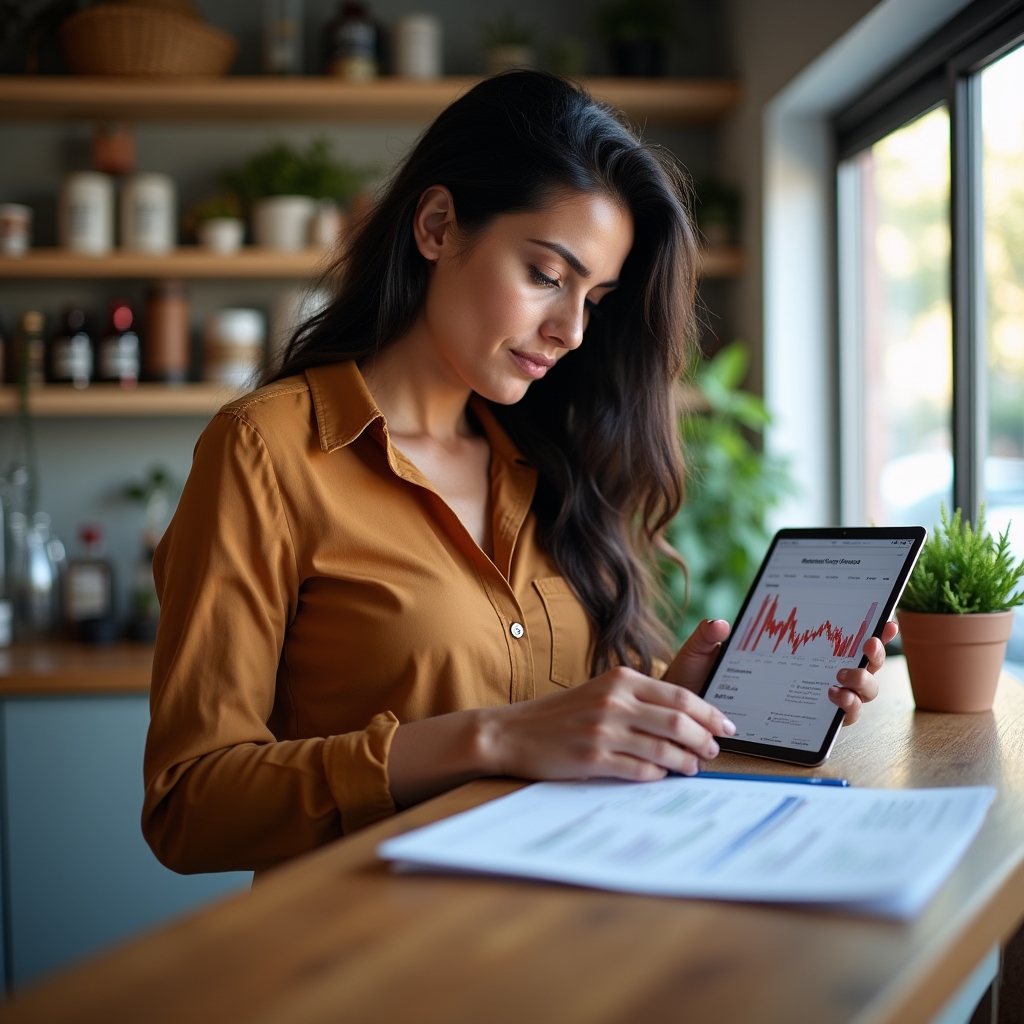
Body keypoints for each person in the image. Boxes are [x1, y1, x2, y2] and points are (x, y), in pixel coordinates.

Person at [142, 72, 893, 873]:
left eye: (595, 298)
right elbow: (192, 805)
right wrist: (493, 737)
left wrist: (688, 708)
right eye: (545, 274)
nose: (571, 329)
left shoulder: (552, 464)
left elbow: (571, 754)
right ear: (437, 226)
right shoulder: (265, 451)